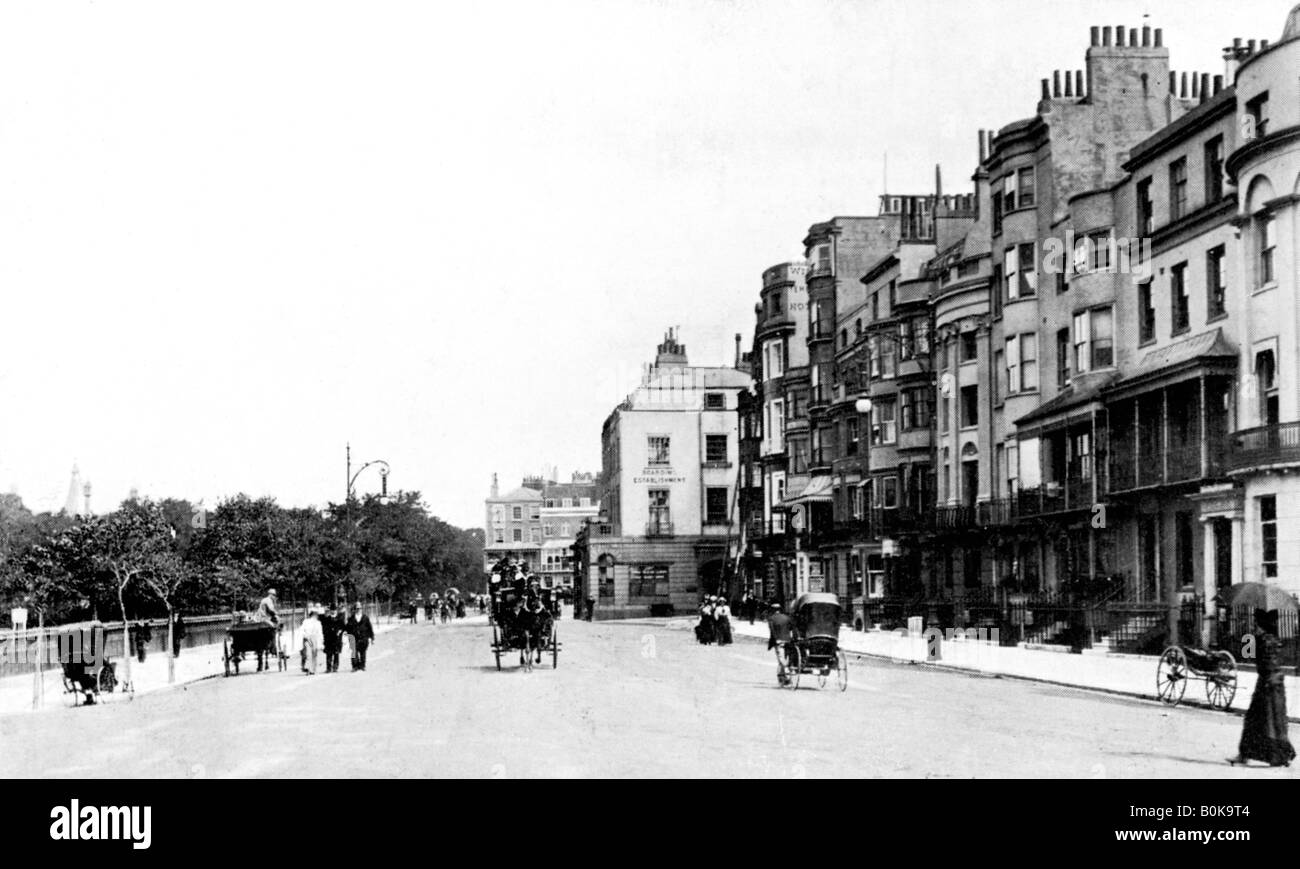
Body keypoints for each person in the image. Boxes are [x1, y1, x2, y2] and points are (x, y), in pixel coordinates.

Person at [1229, 609, 1296, 767]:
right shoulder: (1276, 639)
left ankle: (1244, 755)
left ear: (1261, 625)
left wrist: (1247, 637)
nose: (1254, 626)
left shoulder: (1259, 639)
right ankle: (1281, 756)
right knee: (1277, 721)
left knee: (1253, 719)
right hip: (1277, 683)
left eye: (1256, 624)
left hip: (1266, 684)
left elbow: (1246, 655)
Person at [767, 602, 794, 686]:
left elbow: (772, 631)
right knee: (783, 658)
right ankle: (782, 679)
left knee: (781, 659)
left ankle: (786, 675)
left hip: (778, 641)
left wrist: (775, 640)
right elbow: (791, 628)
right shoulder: (786, 618)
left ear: (773, 610)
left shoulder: (771, 618)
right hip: (787, 640)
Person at [346, 603, 375, 671]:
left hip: (363, 637)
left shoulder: (365, 617)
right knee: (354, 653)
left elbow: (370, 628)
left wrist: (372, 637)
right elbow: (348, 628)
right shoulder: (351, 618)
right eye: (357, 608)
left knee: (363, 652)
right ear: (355, 609)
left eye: (360, 608)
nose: (358, 610)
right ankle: (355, 666)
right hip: (354, 638)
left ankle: (362, 666)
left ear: (361, 609)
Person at [321, 605, 344, 673]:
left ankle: (335, 667)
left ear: (336, 611)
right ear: (330, 611)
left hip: (337, 639)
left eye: (334, 610)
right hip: (329, 639)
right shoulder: (327, 619)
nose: (333, 611)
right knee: (329, 654)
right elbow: (324, 629)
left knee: (336, 654)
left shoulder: (339, 619)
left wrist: (340, 631)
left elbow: (343, 627)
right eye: (332, 610)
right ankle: (328, 668)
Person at [300, 608, 323, 675]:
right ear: (312, 615)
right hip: (307, 638)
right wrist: (305, 636)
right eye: (315, 614)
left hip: (315, 638)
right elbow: (302, 630)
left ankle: (314, 669)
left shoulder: (318, 623)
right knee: (308, 654)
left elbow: (320, 633)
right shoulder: (306, 621)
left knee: (314, 654)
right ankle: (308, 669)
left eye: (316, 615)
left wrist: (320, 642)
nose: (316, 616)